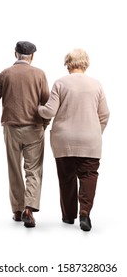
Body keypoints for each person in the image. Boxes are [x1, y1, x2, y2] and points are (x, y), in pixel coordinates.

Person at [38, 48, 110, 231]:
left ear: (68, 63)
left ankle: (69, 216)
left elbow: (49, 111)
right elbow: (105, 114)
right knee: (88, 176)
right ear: (85, 63)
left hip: (64, 139)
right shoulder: (96, 85)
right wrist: (95, 132)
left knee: (66, 177)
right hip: (90, 140)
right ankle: (84, 213)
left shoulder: (60, 83)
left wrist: (38, 108)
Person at [0, 41, 50, 227]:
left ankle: (18, 210)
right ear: (32, 56)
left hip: (11, 129)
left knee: (14, 169)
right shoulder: (39, 74)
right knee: (33, 170)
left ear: (15, 54)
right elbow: (47, 104)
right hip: (34, 129)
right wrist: (44, 124)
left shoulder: (4, 74)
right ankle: (29, 208)